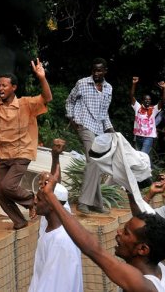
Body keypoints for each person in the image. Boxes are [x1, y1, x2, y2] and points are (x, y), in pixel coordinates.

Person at [39, 170, 165, 292]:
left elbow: (93, 249)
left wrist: (51, 197)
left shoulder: (142, 285)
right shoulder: (160, 267)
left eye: (126, 233)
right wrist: (130, 189)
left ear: (142, 249)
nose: (118, 233)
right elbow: (141, 221)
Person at [0, 55, 52, 229]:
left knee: (8, 186)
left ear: (14, 87)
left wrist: (42, 77)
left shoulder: (26, 104)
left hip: (22, 153)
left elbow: (46, 97)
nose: (0, 88)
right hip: (3, 155)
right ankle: (19, 221)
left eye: (4, 85)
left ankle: (32, 200)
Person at [29, 140, 82, 291]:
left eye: (38, 198)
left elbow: (55, 285)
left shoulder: (61, 242)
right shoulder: (51, 220)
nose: (34, 201)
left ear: (53, 204)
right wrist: (55, 157)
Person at [65, 57, 113, 215]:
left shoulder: (108, 89)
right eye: (94, 70)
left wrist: (110, 129)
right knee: (93, 159)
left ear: (105, 71)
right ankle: (83, 202)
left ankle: (96, 203)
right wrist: (71, 118)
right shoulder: (82, 83)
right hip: (84, 124)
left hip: (98, 128)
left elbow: (104, 113)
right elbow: (69, 101)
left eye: (99, 70)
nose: (96, 73)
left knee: (96, 163)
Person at [130, 77, 165, 157]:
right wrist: (134, 84)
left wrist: (164, 89)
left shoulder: (153, 109)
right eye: (146, 100)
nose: (147, 101)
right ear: (142, 101)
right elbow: (132, 96)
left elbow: (163, 101)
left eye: (149, 100)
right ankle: (146, 169)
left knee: (142, 156)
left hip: (148, 138)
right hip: (138, 137)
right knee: (138, 157)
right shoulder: (137, 107)